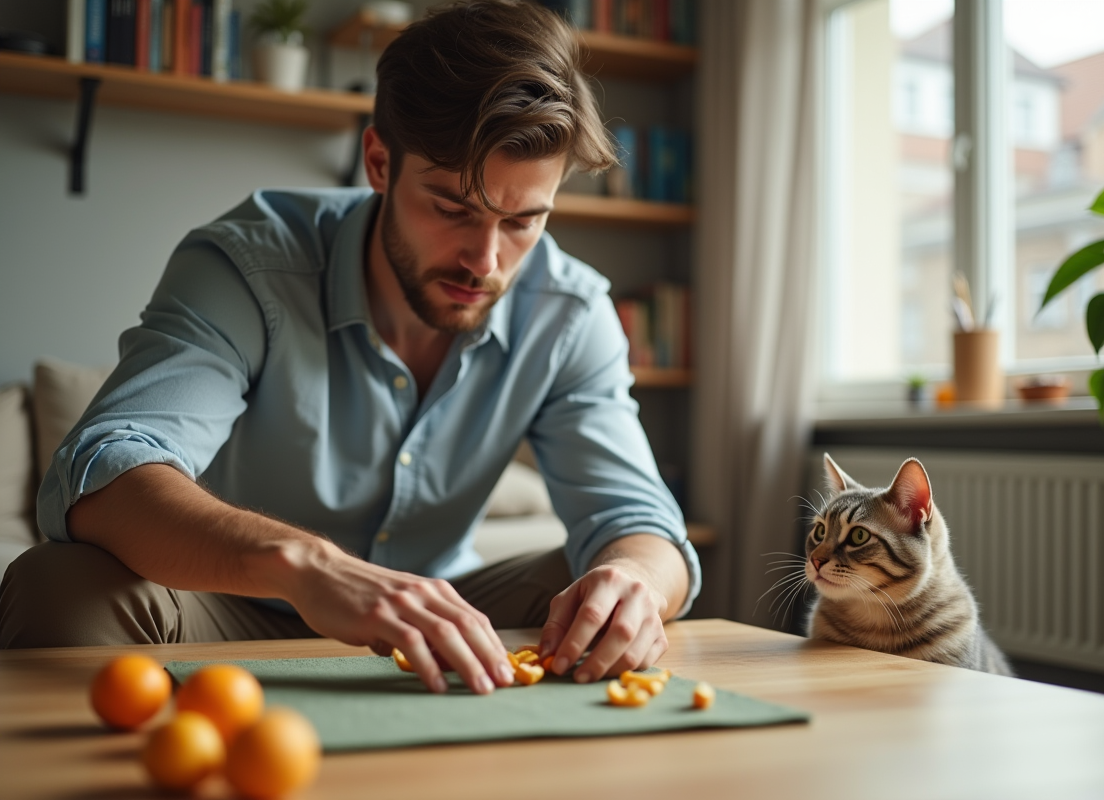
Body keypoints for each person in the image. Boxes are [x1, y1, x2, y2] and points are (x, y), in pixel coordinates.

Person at [0, 0, 699, 696]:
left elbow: (641, 523)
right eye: (452, 208)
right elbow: (104, 470)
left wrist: (633, 578)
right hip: (231, 605)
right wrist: (307, 567)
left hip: (443, 613)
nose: (485, 262)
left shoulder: (570, 312)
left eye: (523, 221)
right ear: (379, 163)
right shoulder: (248, 265)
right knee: (59, 582)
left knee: (599, 591)